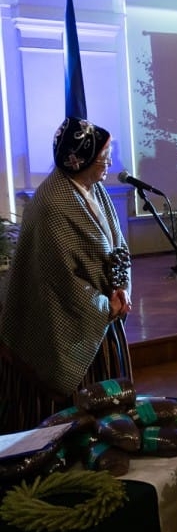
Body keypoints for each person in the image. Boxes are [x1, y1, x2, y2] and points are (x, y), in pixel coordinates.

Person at [0, 117, 132, 433]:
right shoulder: (51, 205)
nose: (110, 163)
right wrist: (104, 306)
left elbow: (118, 246)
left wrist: (122, 287)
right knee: (73, 418)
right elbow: (59, 280)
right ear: (80, 160)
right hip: (70, 326)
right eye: (103, 157)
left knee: (108, 409)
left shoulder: (94, 189)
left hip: (101, 322)